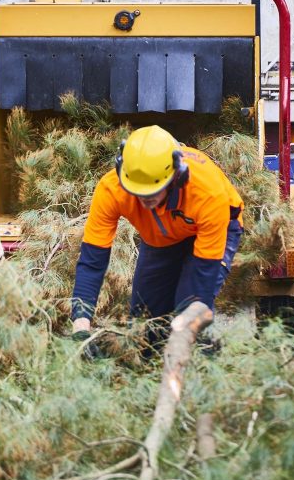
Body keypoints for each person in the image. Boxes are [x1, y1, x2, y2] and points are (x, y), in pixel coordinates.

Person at [70, 125, 244, 342]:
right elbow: (92, 261)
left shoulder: (207, 193)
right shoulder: (110, 190)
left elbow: (203, 276)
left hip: (217, 229)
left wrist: (186, 324)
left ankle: (201, 364)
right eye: (137, 192)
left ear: (177, 177)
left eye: (152, 192)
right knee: (144, 323)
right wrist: (80, 325)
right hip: (161, 238)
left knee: (188, 310)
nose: (144, 200)